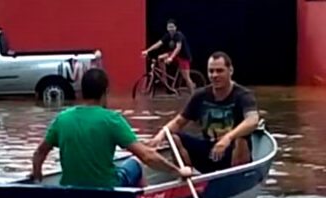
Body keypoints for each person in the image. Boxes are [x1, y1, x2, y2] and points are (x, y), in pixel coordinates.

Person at [32, 68, 192, 187]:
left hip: (71, 190)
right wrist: (178, 171)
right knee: (135, 162)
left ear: (82, 92)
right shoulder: (112, 120)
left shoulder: (62, 118)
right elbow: (147, 156)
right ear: (105, 92)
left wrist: (37, 176)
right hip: (107, 191)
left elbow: (40, 152)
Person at [148, 52, 259, 173]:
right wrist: (161, 135)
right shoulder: (200, 95)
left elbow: (252, 121)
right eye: (211, 71)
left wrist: (228, 138)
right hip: (209, 149)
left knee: (241, 140)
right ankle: (189, 176)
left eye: (219, 71)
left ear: (230, 70)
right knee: (173, 138)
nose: (214, 75)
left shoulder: (243, 95)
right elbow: (179, 122)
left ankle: (236, 177)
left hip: (232, 151)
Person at [141, 19, 194, 93]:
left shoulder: (178, 35)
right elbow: (158, 44)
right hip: (173, 54)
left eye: (172, 27)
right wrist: (147, 51)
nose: (171, 29)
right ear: (167, 28)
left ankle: (193, 94)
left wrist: (171, 58)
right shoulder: (167, 36)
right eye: (169, 27)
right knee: (160, 58)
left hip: (183, 57)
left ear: (175, 27)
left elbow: (178, 48)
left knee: (186, 78)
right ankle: (164, 77)